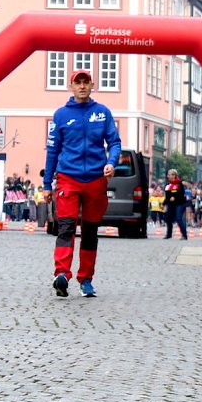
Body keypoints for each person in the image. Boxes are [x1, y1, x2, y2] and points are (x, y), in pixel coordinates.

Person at [43, 69, 121, 299]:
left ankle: (86, 279)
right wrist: (47, 183)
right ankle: (61, 274)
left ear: (92, 85)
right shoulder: (61, 115)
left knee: (90, 231)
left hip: (96, 179)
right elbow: (52, 151)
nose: (82, 86)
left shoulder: (102, 112)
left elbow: (114, 142)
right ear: (71, 86)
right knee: (66, 227)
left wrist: (111, 162)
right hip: (68, 176)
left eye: (86, 82)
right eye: (78, 82)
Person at [163, 168, 188, 240]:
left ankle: (184, 235)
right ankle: (169, 234)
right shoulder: (168, 185)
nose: (168, 176)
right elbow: (167, 196)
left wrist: (174, 197)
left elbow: (182, 194)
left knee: (178, 218)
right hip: (171, 204)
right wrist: (163, 203)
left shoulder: (179, 184)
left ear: (174, 175)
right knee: (168, 219)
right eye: (168, 174)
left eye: (169, 174)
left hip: (180, 204)